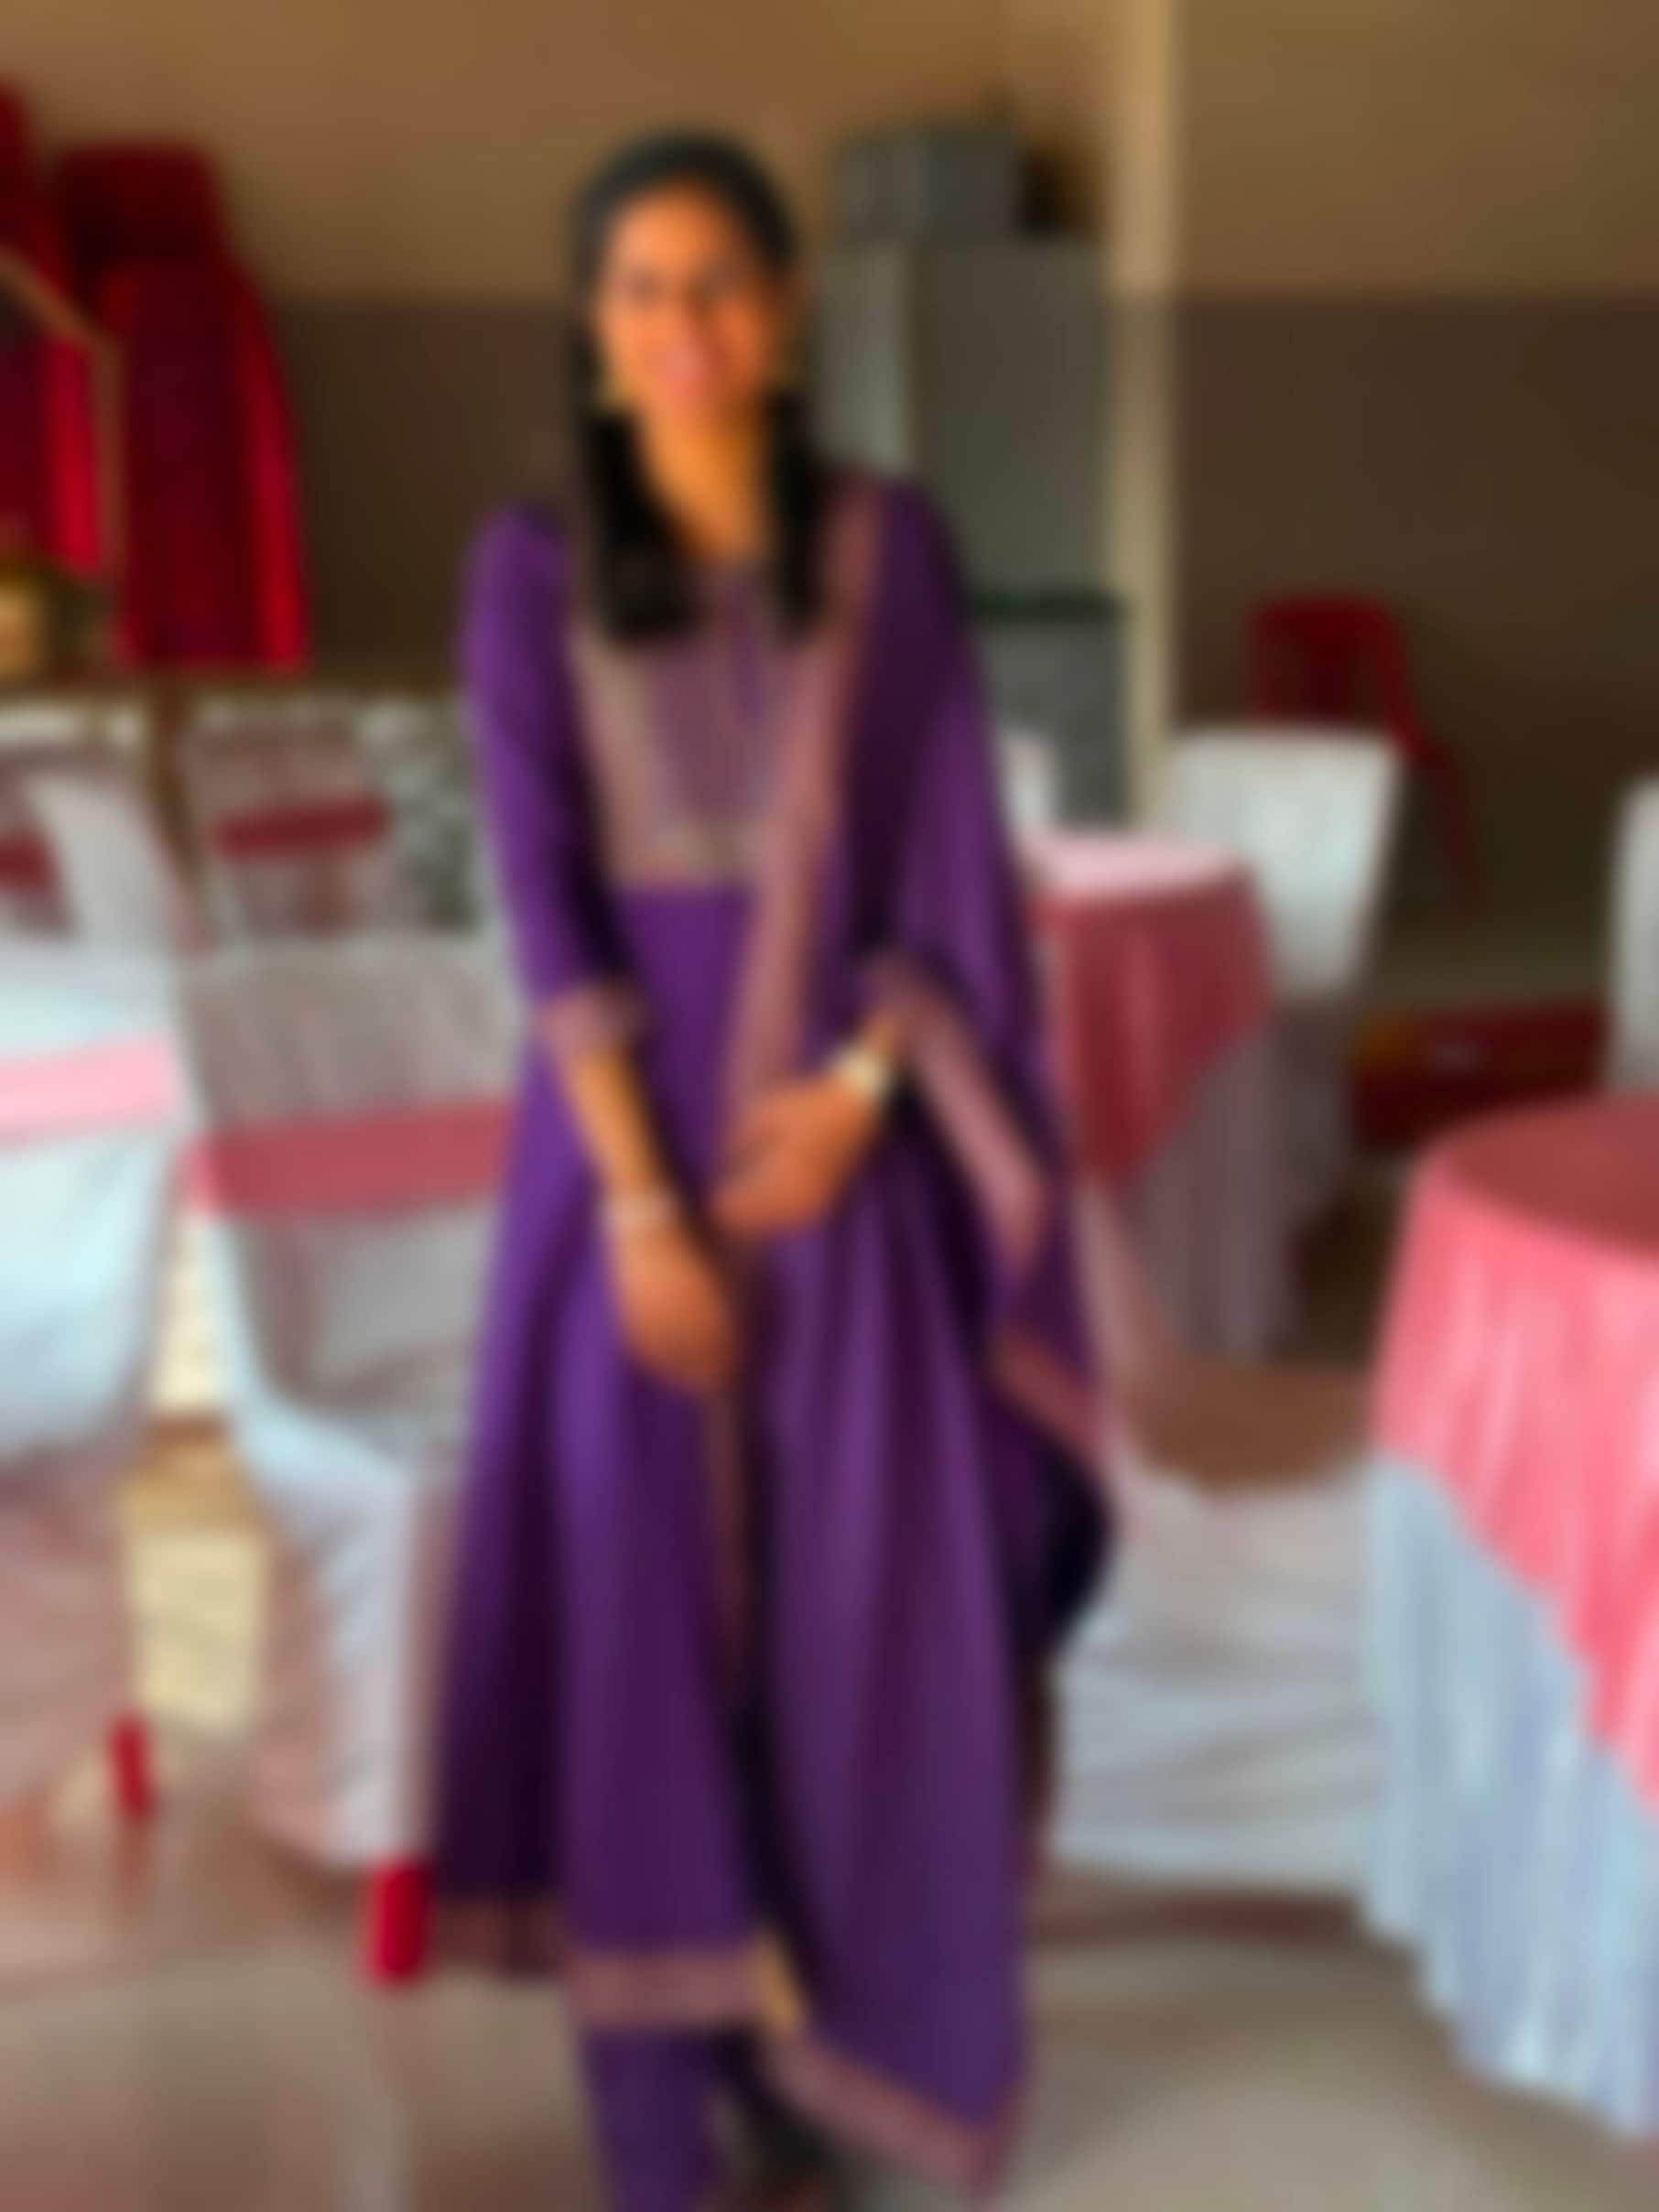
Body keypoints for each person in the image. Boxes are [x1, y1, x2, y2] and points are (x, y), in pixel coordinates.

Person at [433, 130, 1110, 2211]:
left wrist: (861, 1093)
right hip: (613, 1199)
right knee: (639, 1621)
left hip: (844, 1184)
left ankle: (828, 2057)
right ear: (591, 326)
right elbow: (545, 904)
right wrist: (643, 1213)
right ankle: (662, 2138)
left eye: (719, 282)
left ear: (790, 305)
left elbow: (950, 870)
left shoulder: (889, 551)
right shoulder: (532, 568)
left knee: (862, 1629)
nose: (685, 327)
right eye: (640, 290)